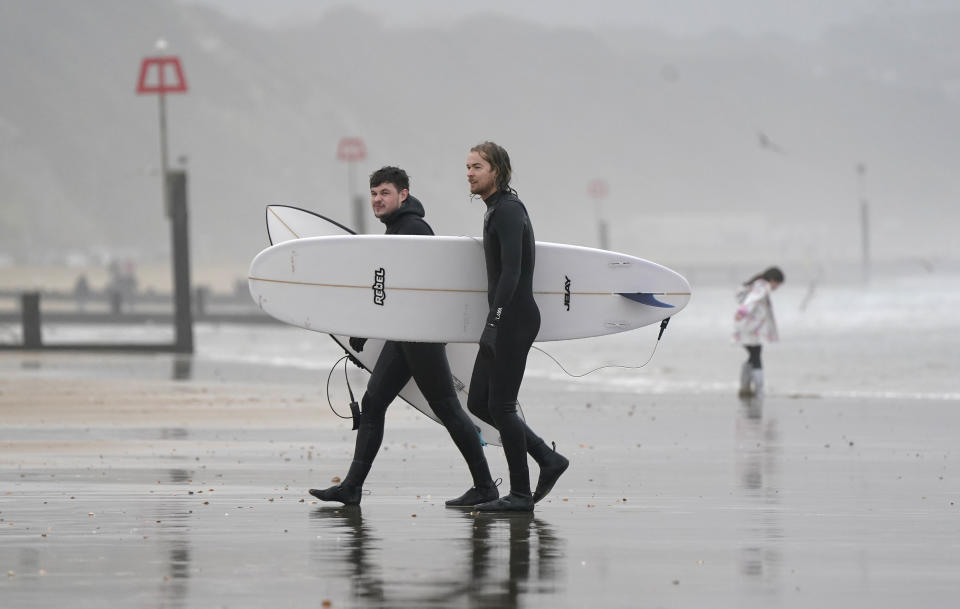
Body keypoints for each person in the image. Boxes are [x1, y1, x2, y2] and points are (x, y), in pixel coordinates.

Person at [309, 166, 498, 506]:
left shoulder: (413, 230)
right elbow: (393, 292)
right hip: (405, 335)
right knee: (374, 402)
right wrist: (368, 329)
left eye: (385, 193)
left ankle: (486, 486)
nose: (377, 200)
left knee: (448, 409)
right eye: (374, 194)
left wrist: (370, 328)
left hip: (419, 336)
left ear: (403, 195)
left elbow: (418, 290)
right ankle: (352, 486)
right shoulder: (399, 229)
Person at [463, 142, 569, 512]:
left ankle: (521, 494)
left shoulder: (507, 211)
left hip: (514, 317)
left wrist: (494, 321)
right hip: (505, 317)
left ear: (497, 170)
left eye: (477, 166)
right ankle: (547, 458)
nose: (470, 173)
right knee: (479, 401)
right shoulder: (497, 209)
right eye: (468, 167)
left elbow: (513, 271)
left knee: (502, 406)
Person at [733, 266, 785, 397]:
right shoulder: (762, 287)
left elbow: (745, 297)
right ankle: (759, 390)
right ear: (773, 280)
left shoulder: (757, 285)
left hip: (747, 328)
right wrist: (742, 312)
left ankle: (745, 387)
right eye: (777, 284)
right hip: (750, 329)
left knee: (753, 356)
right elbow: (752, 300)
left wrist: (742, 313)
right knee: (756, 356)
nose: (776, 288)